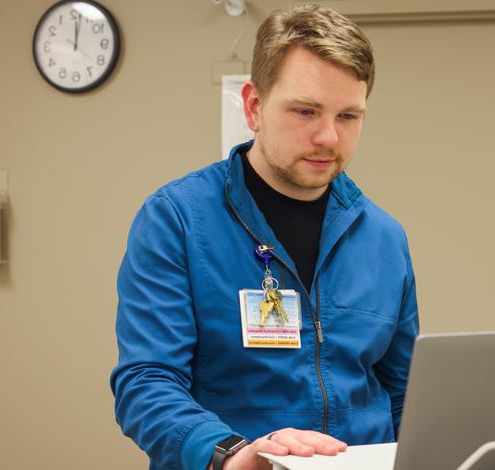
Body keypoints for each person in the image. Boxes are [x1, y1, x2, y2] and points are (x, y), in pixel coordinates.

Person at [110, 4, 419, 470]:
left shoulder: (384, 238)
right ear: (254, 106)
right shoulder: (177, 219)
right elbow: (146, 382)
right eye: (306, 111)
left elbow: (404, 394)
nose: (329, 137)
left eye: (349, 116)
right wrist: (232, 454)